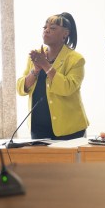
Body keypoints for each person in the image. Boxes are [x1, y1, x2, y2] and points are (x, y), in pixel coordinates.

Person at [17, 12, 88, 140]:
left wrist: (46, 65)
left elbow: (67, 88)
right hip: (38, 129)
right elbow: (21, 88)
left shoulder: (76, 59)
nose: (47, 31)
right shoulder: (36, 56)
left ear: (65, 33)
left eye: (53, 28)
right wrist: (36, 69)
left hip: (69, 130)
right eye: (45, 28)